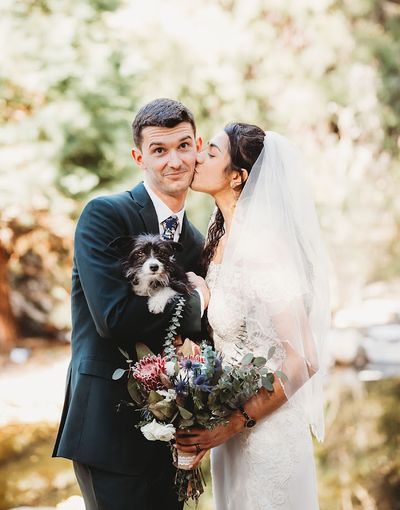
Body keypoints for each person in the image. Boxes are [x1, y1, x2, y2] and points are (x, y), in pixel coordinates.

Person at [53, 98, 210, 510]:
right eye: (159, 150)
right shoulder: (105, 215)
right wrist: (196, 300)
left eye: (183, 145)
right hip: (108, 430)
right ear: (139, 157)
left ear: (198, 147)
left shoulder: (196, 240)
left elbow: (194, 340)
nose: (174, 161)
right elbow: (115, 318)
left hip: (174, 433)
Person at [176, 123, 330, 509]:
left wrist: (230, 425)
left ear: (237, 177)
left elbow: (303, 361)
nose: (197, 157)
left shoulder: (264, 248)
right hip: (231, 437)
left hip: (268, 438)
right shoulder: (220, 239)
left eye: (211, 153)